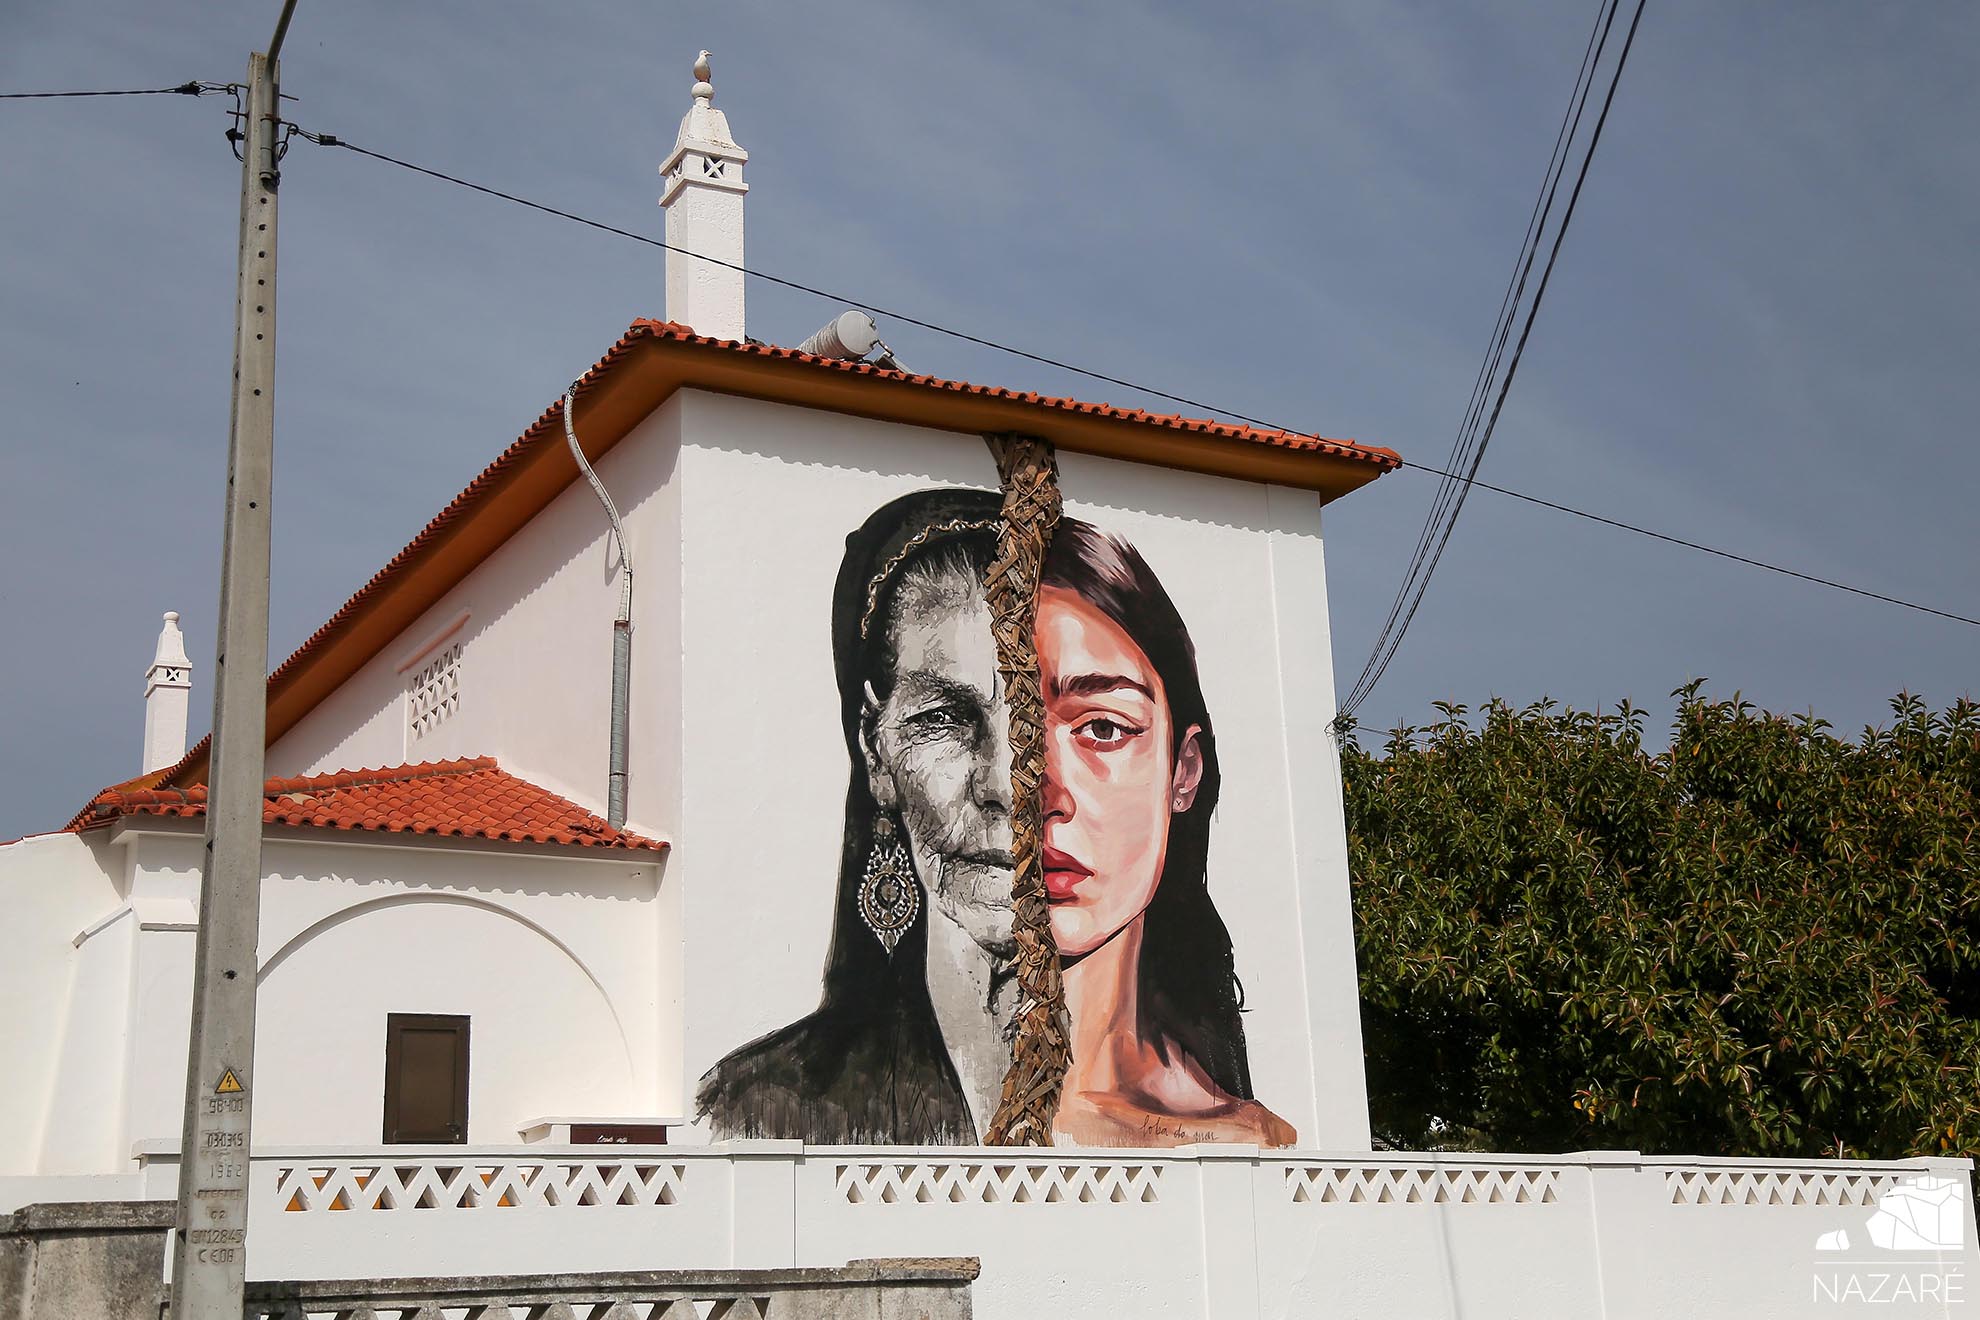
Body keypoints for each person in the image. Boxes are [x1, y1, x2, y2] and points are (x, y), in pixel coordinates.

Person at [697, 488, 1020, 1143]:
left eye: (1041, 720)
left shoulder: (1173, 1096)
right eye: (945, 719)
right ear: (877, 750)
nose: (1004, 785)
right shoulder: (768, 1107)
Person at [1037, 519, 1296, 1147]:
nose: (1049, 791)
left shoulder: (1247, 1136)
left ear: (1183, 771)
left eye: (1103, 728)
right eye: (1004, 729)